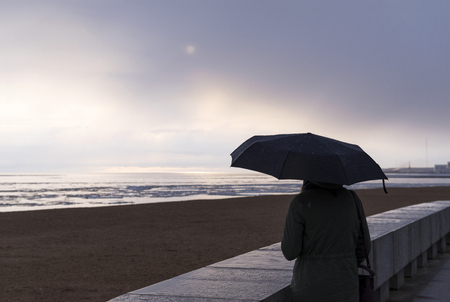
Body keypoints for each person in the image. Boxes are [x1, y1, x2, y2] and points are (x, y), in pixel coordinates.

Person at [281, 180, 371, 302]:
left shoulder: (301, 202)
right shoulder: (352, 199)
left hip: (310, 288)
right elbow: (364, 247)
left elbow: (290, 252)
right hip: (347, 287)